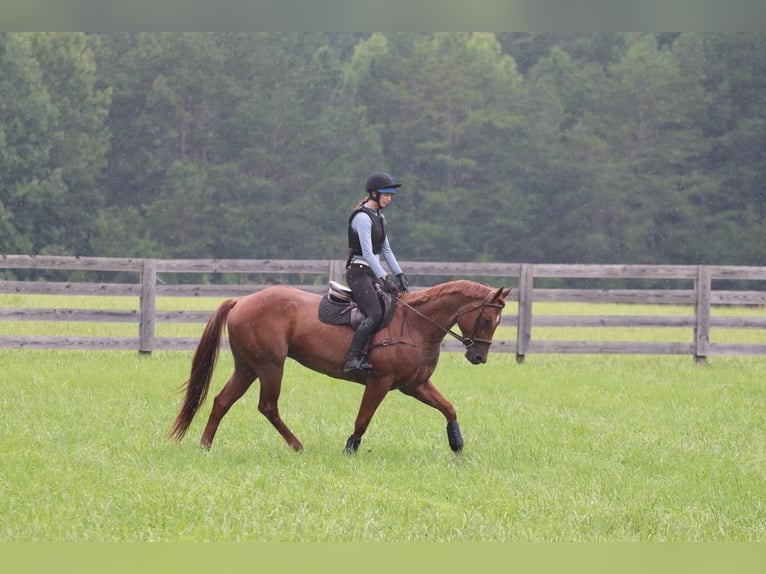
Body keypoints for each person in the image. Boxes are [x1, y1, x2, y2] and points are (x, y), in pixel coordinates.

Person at [342, 171, 409, 375]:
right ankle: (352, 358)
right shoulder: (362, 218)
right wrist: (385, 277)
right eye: (386, 194)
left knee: (393, 307)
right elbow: (369, 254)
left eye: (391, 195)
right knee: (375, 313)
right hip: (358, 272)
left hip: (370, 273)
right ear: (373, 194)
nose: (389, 198)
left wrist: (399, 274)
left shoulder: (380, 218)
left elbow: (386, 250)